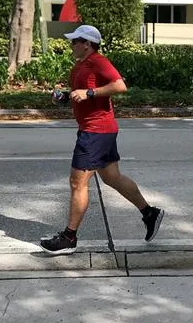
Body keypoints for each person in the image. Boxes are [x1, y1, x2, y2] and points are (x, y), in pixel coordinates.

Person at [40, 24, 164, 255]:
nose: (71, 44)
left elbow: (120, 85)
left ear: (87, 43)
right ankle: (150, 213)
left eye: (75, 41)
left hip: (96, 131)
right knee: (112, 177)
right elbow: (84, 94)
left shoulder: (99, 61)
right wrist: (66, 97)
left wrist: (89, 93)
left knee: (77, 182)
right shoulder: (80, 66)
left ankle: (69, 238)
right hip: (96, 130)